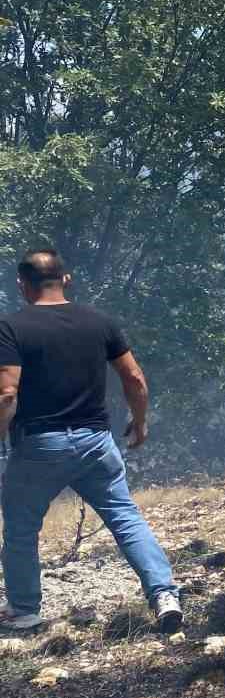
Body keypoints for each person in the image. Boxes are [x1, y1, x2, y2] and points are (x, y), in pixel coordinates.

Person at [0, 249, 182, 632]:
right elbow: (134, 378)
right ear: (66, 278)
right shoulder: (99, 321)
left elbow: (6, 394)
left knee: (20, 527)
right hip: (96, 443)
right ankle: (164, 594)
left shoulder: (12, 327)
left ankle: (25, 610)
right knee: (125, 517)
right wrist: (141, 422)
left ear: (22, 285)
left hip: (39, 447)